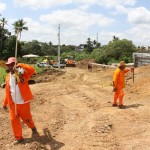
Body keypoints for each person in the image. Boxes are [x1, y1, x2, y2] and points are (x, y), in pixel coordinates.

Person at [3, 57, 38, 144]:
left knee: (27, 119)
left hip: (23, 103)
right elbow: (8, 92)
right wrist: (5, 103)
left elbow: (32, 70)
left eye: (12, 65)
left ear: (16, 65)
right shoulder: (7, 77)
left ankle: (32, 127)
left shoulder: (22, 75)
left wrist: (20, 65)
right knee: (13, 121)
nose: (11, 67)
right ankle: (18, 138)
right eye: (9, 65)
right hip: (13, 104)